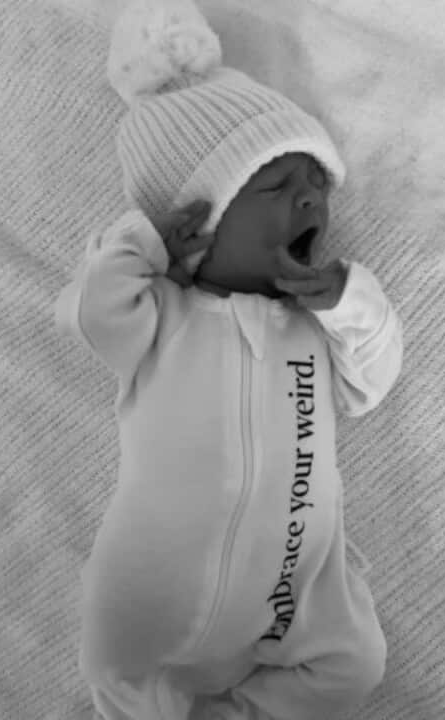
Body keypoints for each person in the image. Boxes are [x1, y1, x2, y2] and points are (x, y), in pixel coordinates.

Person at [54, 1, 402, 717]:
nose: (310, 198)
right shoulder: (160, 321)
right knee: (112, 664)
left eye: (317, 186)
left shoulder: (312, 328)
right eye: (278, 186)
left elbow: (373, 377)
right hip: (155, 580)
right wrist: (146, 244)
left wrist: (347, 299)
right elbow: (91, 313)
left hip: (294, 591)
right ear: (198, 222)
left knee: (356, 663)